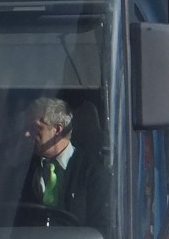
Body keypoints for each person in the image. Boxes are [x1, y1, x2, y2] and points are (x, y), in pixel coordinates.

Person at [19, 96, 111, 231]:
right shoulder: (22, 172)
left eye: (34, 128)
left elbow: (102, 230)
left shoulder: (94, 174)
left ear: (57, 129)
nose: (27, 134)